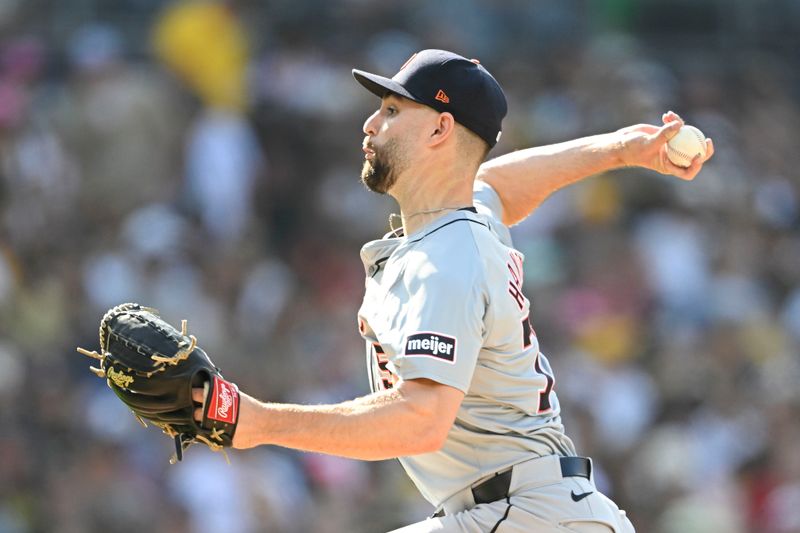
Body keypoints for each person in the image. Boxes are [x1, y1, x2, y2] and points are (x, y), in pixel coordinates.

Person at [194, 49, 714, 532]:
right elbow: (501, 185)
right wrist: (621, 148)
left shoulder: (447, 258)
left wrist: (259, 422)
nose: (371, 123)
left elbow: (420, 421)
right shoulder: (465, 223)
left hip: (523, 515)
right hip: (537, 511)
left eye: (394, 111)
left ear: (441, 128)